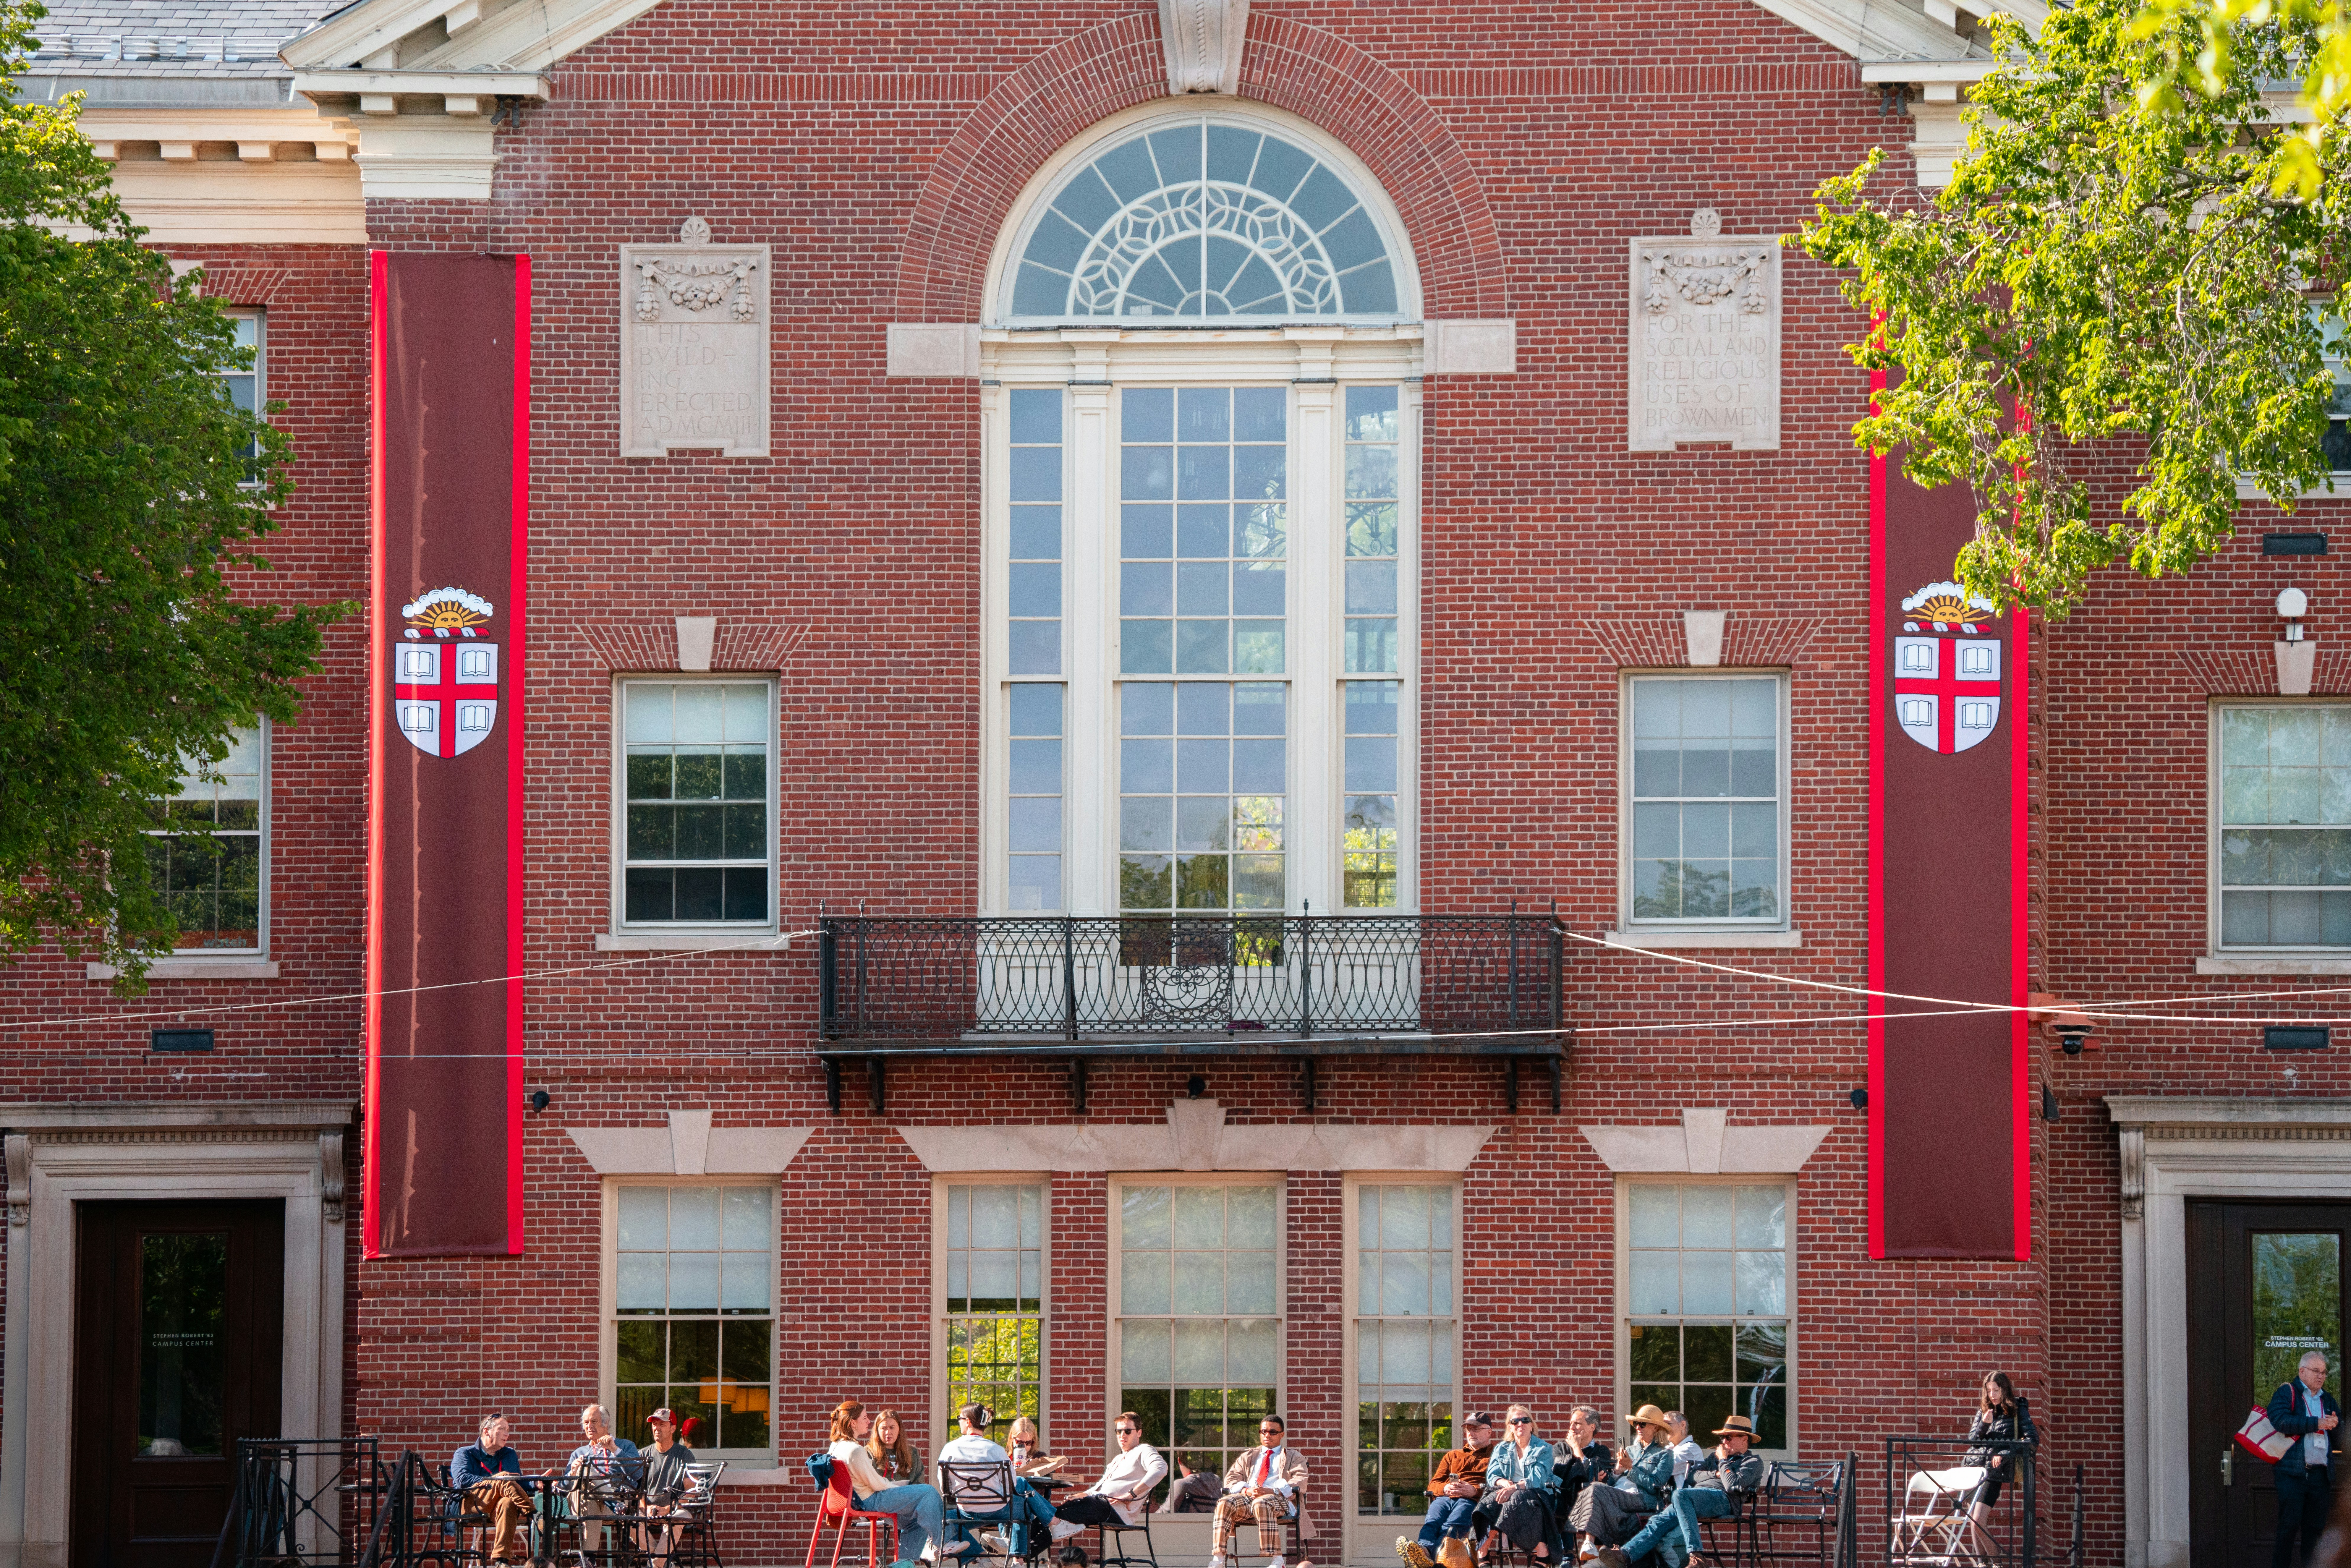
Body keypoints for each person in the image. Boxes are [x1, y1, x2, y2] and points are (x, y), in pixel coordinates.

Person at [1593, 1415, 1764, 1568]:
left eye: (1729, 1437)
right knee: (1658, 1520)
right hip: (1697, 1498)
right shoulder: (1714, 1458)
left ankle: (1696, 1556)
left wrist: (1724, 1463)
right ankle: (1625, 1555)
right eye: (1722, 1438)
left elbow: (1732, 1485)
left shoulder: (1752, 1462)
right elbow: (1694, 1476)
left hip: (1724, 1501)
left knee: (1680, 1494)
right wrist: (1716, 1474)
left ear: (1744, 1439)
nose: (1724, 1442)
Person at [828, 1398, 963, 1565]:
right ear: (853, 1423)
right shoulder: (855, 1451)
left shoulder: (837, 1446)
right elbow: (876, 1485)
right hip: (871, 1501)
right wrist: (896, 1487)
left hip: (859, 1501)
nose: (869, 1422)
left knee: (918, 1519)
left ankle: (904, 1564)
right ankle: (945, 1542)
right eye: (865, 1418)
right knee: (928, 1491)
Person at [938, 1402, 1056, 1556]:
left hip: (966, 1512)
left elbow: (945, 1488)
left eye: (960, 1419)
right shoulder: (996, 1450)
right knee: (1024, 1502)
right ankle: (1019, 1558)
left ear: (968, 1422)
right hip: (999, 1511)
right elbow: (1012, 1486)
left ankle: (980, 1557)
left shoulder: (949, 1449)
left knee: (939, 1520)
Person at [1396, 1412, 1496, 1568]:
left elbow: (1498, 1486)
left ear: (1489, 1432)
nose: (1471, 1433)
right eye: (1468, 1429)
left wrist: (1475, 1490)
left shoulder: (1496, 1457)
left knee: (1451, 1527)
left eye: (1476, 1429)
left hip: (1472, 1501)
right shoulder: (1453, 1456)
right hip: (1445, 1498)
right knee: (1432, 1521)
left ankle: (1431, 1557)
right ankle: (1424, 1550)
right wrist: (1445, 1488)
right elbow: (1433, 1485)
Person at [1207, 1415, 1307, 1568]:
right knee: (1225, 1502)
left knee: (1262, 1502)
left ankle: (1278, 1560)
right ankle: (1219, 1559)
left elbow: (1301, 1479)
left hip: (1278, 1499)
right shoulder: (1249, 1456)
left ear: (1282, 1434)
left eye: (1273, 1432)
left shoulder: (1293, 1456)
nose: (1267, 1435)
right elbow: (1231, 1480)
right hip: (1249, 1500)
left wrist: (1272, 1491)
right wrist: (1246, 1490)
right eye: (1264, 1431)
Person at [452, 1413, 553, 1565]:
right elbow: (463, 1480)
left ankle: (502, 1561)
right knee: (504, 1478)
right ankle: (534, 1515)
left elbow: (516, 1484)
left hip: (498, 1507)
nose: (507, 1434)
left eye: (508, 1430)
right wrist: (495, 1482)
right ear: (487, 1431)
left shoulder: (509, 1454)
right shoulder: (465, 1453)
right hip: (472, 1503)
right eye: (502, 1429)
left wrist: (535, 1484)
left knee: (508, 1502)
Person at [1051, 1412, 1169, 1541]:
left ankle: (1057, 1527)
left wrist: (1131, 1495)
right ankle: (1051, 1531)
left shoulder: (1144, 1450)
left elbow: (1161, 1469)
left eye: (1128, 1431)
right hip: (1098, 1505)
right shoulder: (1117, 1459)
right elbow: (1099, 1488)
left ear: (1139, 1433)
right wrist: (1081, 1495)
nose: (1122, 1435)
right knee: (1056, 1512)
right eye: (1119, 1431)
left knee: (1064, 1512)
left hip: (1115, 1512)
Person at [1567, 1407, 1673, 1550]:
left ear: (1656, 1428)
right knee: (1595, 1487)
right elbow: (1611, 1483)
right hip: (1618, 1494)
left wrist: (1631, 1469)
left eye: (1643, 1424)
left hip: (1641, 1498)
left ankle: (1588, 1542)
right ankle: (1591, 1545)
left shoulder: (1665, 1454)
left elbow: (1655, 1485)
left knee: (1595, 1488)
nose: (1638, 1427)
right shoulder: (1630, 1450)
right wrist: (1617, 1472)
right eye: (1636, 1424)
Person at [2272, 1352, 2342, 1567]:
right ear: (2302, 1372)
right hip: (2292, 1475)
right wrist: (2317, 1423)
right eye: (2316, 1371)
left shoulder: (2328, 1399)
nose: (2321, 1376)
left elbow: (2339, 1439)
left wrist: (2336, 1425)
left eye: (2324, 1373)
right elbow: (2280, 1421)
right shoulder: (2288, 1392)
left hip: (2320, 1476)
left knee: (2315, 1533)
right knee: (2288, 1529)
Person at [1961, 1371, 2038, 1551]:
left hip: (1993, 1471)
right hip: (1973, 1468)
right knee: (1972, 1521)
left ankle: (1997, 1562)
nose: (1992, 1395)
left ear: (2005, 1389)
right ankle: (1982, 1563)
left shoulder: (2018, 1409)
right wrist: (1984, 1424)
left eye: (1996, 1390)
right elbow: (1973, 1441)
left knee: (1979, 1520)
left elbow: (2032, 1440)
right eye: (1989, 1391)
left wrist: (2005, 1452)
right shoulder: (1984, 1410)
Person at [1473, 1405, 1559, 1564]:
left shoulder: (1545, 1449)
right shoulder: (1501, 1448)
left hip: (1539, 1494)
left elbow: (1537, 1479)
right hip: (1509, 1492)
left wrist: (1514, 1488)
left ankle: (1542, 1552)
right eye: (1515, 1421)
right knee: (1490, 1500)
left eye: (1525, 1420)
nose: (1521, 1424)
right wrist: (1504, 1483)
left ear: (1531, 1426)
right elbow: (1492, 1475)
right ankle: (1483, 1551)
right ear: (1510, 1427)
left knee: (1517, 1497)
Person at [564, 1404, 641, 1552]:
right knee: (584, 1469)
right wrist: (573, 1472)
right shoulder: (579, 1453)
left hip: (612, 1503)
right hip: (584, 1505)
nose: (589, 1426)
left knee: (592, 1503)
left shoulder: (625, 1446)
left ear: (606, 1423)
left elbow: (637, 1475)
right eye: (586, 1423)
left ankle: (589, 1559)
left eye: (594, 1422)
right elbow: (565, 1488)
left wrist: (614, 1449)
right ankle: (613, 1503)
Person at [636, 1407, 699, 1568]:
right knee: (628, 1519)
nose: (657, 1428)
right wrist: (647, 1507)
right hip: (648, 1509)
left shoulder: (684, 1455)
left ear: (673, 1429)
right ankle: (662, 1563)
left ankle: (656, 1565)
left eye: (662, 1424)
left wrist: (667, 1509)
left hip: (676, 1509)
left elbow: (691, 1492)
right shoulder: (643, 1455)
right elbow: (636, 1491)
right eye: (654, 1424)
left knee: (678, 1519)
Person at [1551, 1407, 1611, 1555]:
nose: (1572, 1427)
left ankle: (1594, 1552)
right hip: (1564, 1498)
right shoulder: (1560, 1448)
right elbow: (1560, 1477)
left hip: (1589, 1500)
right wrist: (1587, 1472)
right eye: (1571, 1423)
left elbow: (1596, 1477)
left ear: (1592, 1427)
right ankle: (1567, 1555)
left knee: (1595, 1492)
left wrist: (1576, 1448)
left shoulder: (1602, 1451)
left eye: (1578, 1424)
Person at [874, 1408, 927, 1486]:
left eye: (892, 1428)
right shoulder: (869, 1454)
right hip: (880, 1493)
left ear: (899, 1430)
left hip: (907, 1493)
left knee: (929, 1489)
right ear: (877, 1431)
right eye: (884, 1428)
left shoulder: (912, 1453)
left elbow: (920, 1485)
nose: (888, 1432)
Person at [1160, 1456, 1224, 1514]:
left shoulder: (1182, 1485)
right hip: (1213, 1524)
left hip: (1185, 1524)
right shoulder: (1217, 1482)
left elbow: (1164, 1515)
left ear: (1180, 1460)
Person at [1661, 1415, 1704, 1491]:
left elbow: (1663, 1468)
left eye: (1669, 1424)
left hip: (1685, 1497)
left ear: (1683, 1425)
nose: (1665, 1428)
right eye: (1663, 1425)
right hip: (1669, 1496)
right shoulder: (1667, 1448)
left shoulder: (1691, 1448)